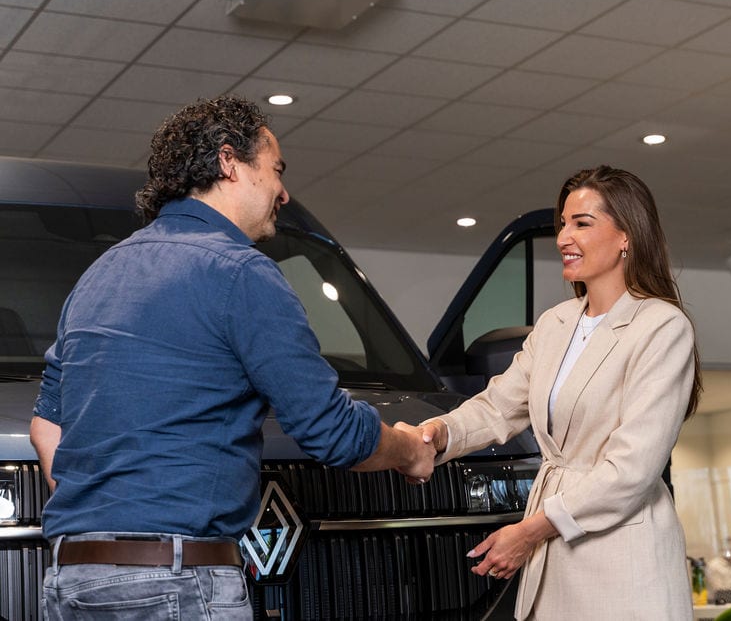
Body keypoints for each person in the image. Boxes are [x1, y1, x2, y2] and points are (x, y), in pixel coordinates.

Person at [28, 95, 435, 619]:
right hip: (175, 581)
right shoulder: (241, 271)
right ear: (228, 162)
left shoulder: (98, 276)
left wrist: (109, 511)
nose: (284, 192)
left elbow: (47, 428)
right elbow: (327, 429)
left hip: (72, 582)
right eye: (275, 170)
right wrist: (407, 449)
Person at [420, 165, 702, 620]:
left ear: (627, 235)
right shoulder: (554, 324)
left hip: (621, 561)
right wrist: (435, 435)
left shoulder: (662, 327)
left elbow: (631, 470)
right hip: (553, 559)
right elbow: (497, 407)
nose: (564, 237)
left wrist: (531, 530)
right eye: (562, 224)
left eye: (582, 223)